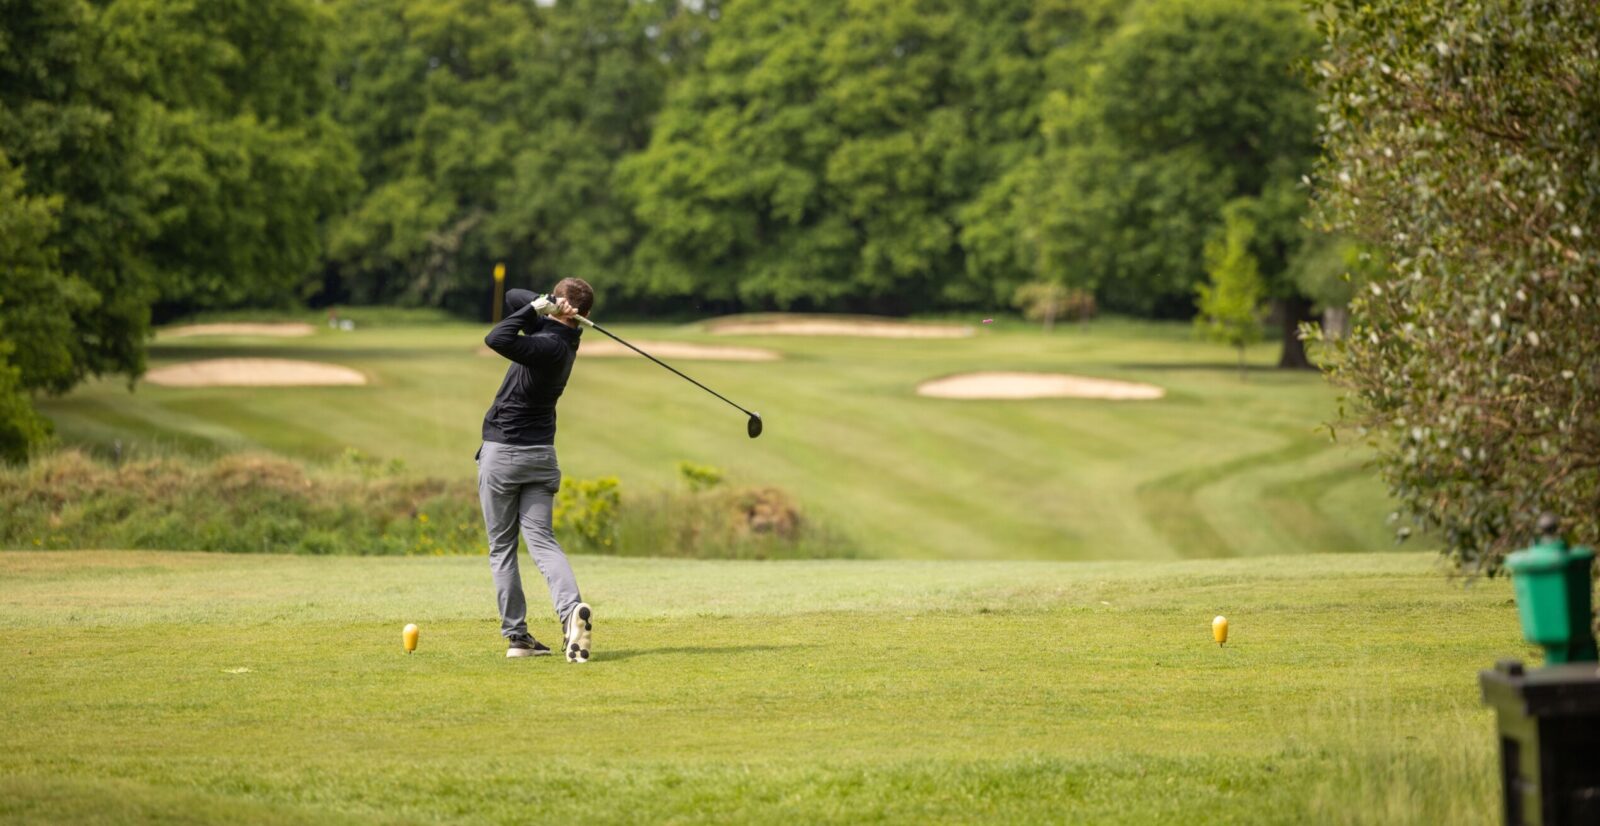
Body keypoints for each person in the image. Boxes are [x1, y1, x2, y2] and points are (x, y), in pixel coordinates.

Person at [477, 278, 595, 663]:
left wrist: (536, 310)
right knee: (543, 541)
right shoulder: (563, 339)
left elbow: (496, 337)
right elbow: (514, 295)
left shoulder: (545, 345)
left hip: (504, 454)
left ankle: (517, 636)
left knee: (502, 549)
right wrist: (546, 305)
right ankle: (571, 613)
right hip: (542, 455)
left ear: (565, 304)